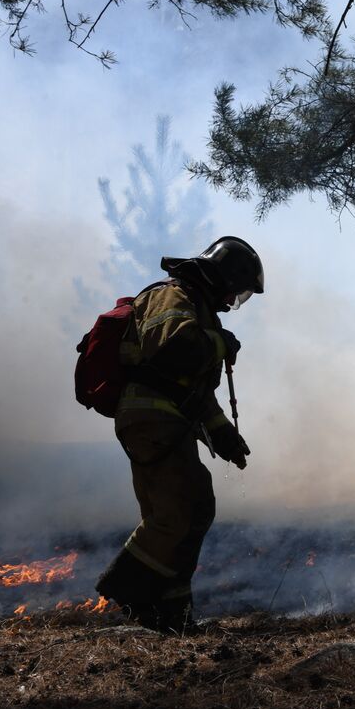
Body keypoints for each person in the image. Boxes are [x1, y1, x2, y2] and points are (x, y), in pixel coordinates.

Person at [95, 236, 263, 633]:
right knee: (182, 511)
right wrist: (219, 342)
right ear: (223, 276)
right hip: (152, 417)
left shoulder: (197, 307)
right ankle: (127, 587)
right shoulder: (172, 296)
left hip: (163, 418)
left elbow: (193, 393)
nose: (233, 301)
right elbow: (172, 348)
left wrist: (224, 435)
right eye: (236, 290)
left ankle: (173, 614)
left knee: (189, 511)